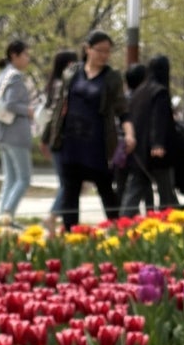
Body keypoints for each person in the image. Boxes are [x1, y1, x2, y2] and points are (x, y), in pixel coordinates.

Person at [46, 29, 136, 231]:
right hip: (70, 142)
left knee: (106, 190)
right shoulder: (71, 73)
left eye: (108, 51)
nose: (104, 55)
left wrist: (129, 134)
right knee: (70, 192)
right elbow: (59, 108)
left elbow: (123, 110)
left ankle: (119, 232)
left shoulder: (111, 77)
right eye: (100, 50)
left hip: (97, 144)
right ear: (87, 49)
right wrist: (48, 138)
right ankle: (71, 235)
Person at [121, 54, 179, 217]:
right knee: (165, 190)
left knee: (135, 189)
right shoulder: (160, 92)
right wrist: (157, 143)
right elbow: (158, 119)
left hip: (138, 151)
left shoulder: (139, 91)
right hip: (156, 153)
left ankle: (122, 221)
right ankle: (170, 220)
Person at [0, 40, 34, 226]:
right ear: (14, 55)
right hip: (15, 133)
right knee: (24, 178)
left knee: (11, 178)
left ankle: (3, 218)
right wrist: (28, 111)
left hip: (2, 133)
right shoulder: (15, 77)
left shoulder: (2, 75)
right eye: (25, 55)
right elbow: (11, 104)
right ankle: (7, 215)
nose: (28, 59)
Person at [39, 49, 79, 234]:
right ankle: (53, 216)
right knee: (69, 183)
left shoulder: (52, 85)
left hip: (52, 138)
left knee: (67, 183)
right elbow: (57, 116)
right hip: (61, 139)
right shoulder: (63, 85)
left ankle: (60, 220)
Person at [115, 63, 151, 211]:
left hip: (120, 147)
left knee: (121, 184)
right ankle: (148, 213)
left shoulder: (122, 99)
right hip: (138, 147)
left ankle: (120, 215)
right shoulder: (144, 99)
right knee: (143, 181)